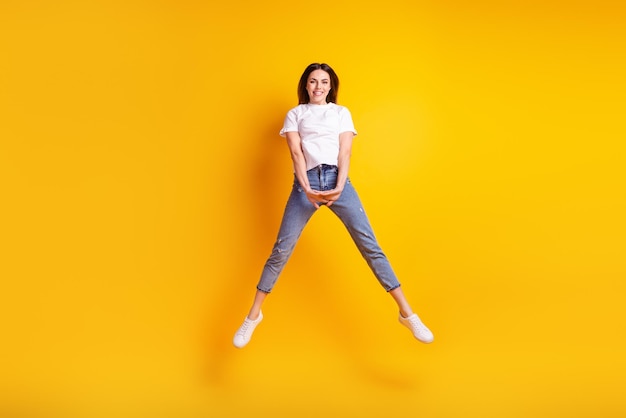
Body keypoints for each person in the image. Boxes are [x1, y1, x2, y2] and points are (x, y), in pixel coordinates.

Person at [233, 63, 433, 348]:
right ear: (305, 85)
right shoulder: (296, 114)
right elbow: (295, 154)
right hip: (306, 184)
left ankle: (407, 313)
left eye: (324, 82)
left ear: (330, 86)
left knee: (370, 246)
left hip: (338, 181)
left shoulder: (341, 113)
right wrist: (307, 190)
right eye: (313, 81)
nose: (318, 86)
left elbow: (345, 151)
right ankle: (253, 316)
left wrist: (339, 185)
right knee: (281, 250)